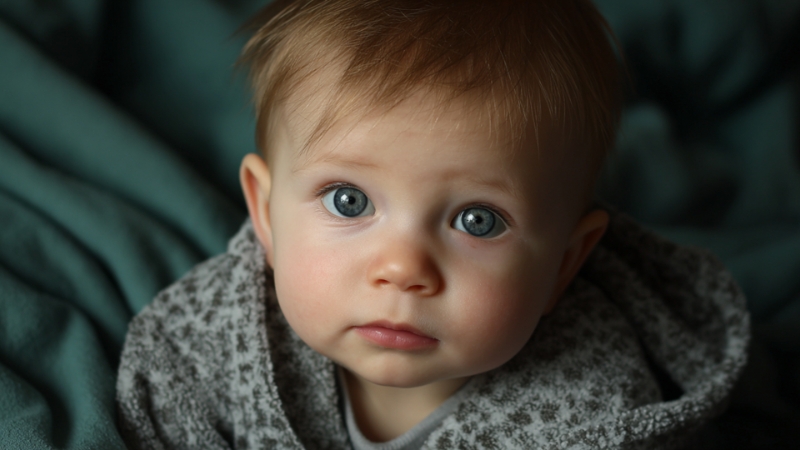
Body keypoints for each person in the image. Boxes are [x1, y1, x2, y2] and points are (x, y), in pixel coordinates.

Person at [116, 1, 749, 448]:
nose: (403, 269)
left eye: (477, 220)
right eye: (348, 201)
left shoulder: (593, 415)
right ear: (266, 215)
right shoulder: (210, 336)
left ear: (563, 264)